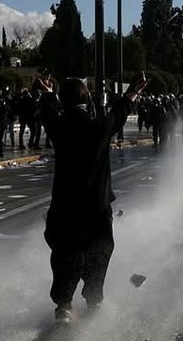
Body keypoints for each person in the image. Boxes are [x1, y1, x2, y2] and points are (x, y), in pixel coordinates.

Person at [39, 73, 148, 323]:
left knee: (65, 253)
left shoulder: (59, 127)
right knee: (99, 252)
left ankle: (64, 305)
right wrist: (134, 91)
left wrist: (47, 93)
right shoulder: (99, 127)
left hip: (65, 205)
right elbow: (119, 113)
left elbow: (47, 112)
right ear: (87, 100)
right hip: (95, 206)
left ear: (63, 101)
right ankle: (93, 300)